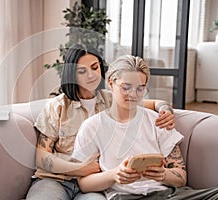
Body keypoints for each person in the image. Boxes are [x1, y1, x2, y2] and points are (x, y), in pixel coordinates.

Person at [26, 45, 175, 200]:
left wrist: (166, 111)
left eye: (95, 67)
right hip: (56, 180)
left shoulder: (113, 99)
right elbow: (42, 158)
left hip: (94, 184)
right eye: (82, 71)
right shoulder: (57, 106)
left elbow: (154, 103)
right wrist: (79, 168)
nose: (91, 75)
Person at [71, 55, 218, 200]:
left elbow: (181, 178)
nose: (133, 95)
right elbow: (84, 184)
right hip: (126, 196)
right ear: (111, 83)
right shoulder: (92, 127)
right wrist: (114, 174)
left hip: (171, 194)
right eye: (126, 87)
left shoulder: (158, 121)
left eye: (140, 89)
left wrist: (164, 174)